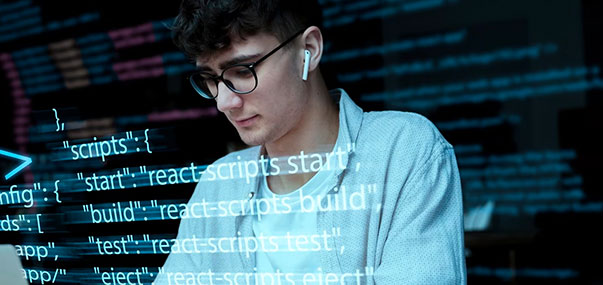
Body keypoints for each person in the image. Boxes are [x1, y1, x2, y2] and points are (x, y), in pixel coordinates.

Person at [156, 0, 466, 284]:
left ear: (309, 49)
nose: (224, 102)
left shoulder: (403, 151)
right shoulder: (219, 184)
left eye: (243, 71)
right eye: (210, 79)